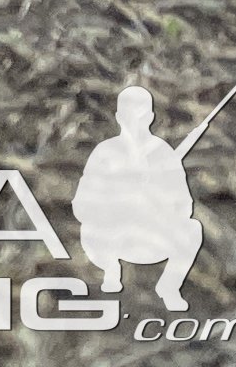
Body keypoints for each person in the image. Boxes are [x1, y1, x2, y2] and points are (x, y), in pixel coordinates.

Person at [71, 85, 204, 310]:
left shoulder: (163, 153)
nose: (135, 123)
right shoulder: (105, 152)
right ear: (118, 117)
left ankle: (170, 287)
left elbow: (184, 205)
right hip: (111, 239)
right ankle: (111, 272)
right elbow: (81, 206)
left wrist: (157, 201)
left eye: (141, 116)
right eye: (129, 116)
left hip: (151, 237)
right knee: (92, 229)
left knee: (192, 229)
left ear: (151, 117)